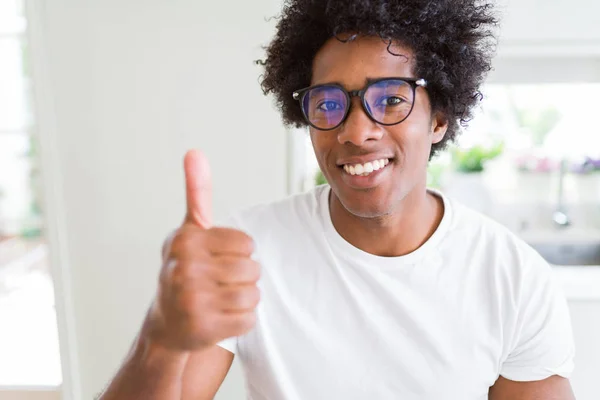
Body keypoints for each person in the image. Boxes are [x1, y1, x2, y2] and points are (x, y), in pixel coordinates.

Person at [99, 0, 576, 399]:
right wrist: (160, 338)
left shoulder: (513, 279)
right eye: (328, 104)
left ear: (438, 119)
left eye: (391, 99)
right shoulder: (246, 253)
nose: (355, 131)